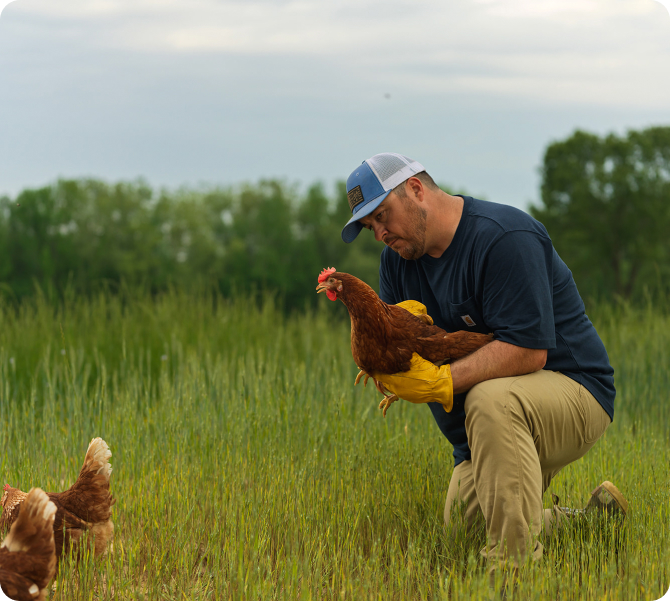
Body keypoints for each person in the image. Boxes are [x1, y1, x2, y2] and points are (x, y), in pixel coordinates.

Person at [341, 152, 627, 583]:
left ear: (416, 190)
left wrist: (441, 383)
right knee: (465, 528)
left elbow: (529, 353)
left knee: (491, 398)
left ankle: (514, 576)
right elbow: (407, 351)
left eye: (383, 215)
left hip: (574, 392)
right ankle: (591, 522)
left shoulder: (504, 237)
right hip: (486, 426)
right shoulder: (395, 265)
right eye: (369, 227)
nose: (380, 233)